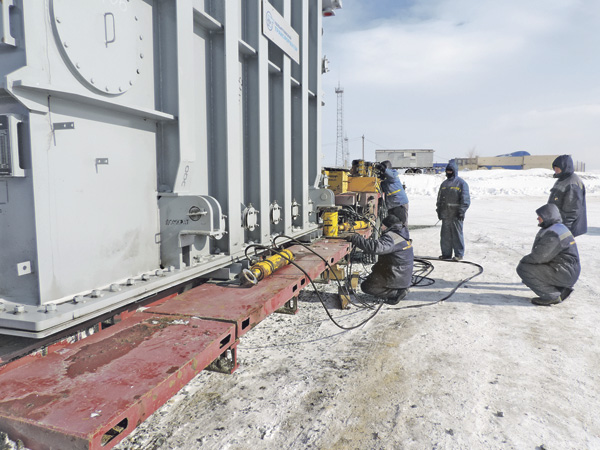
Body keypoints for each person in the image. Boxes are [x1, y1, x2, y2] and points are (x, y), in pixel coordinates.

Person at [516, 203, 580, 306]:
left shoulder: (553, 234)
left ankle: (552, 296)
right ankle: (559, 289)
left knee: (524, 268)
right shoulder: (557, 228)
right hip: (566, 270)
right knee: (530, 267)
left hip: (563, 271)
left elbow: (539, 256)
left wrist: (524, 261)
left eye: (540, 216)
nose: (538, 218)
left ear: (548, 216)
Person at [346, 214, 414, 305]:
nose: (381, 227)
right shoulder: (400, 233)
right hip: (400, 274)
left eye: (382, 225)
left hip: (397, 275)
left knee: (367, 286)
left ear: (386, 226)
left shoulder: (391, 237)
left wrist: (356, 239)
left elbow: (375, 248)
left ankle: (396, 292)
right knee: (372, 277)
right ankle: (397, 288)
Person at [436, 161, 470, 261]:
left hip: (456, 214)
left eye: (451, 170)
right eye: (447, 170)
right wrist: (439, 210)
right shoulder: (444, 184)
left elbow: (466, 198)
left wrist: (462, 211)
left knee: (457, 235)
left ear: (454, 171)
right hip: (446, 214)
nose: (449, 172)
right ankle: (446, 254)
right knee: (445, 236)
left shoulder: (461, 183)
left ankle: (459, 254)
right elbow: (439, 198)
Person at [548, 154, 587, 237]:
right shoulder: (563, 179)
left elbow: (572, 209)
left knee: (563, 248)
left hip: (564, 225)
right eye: (554, 168)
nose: (555, 170)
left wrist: (565, 229)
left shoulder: (572, 182)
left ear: (564, 167)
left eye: (557, 168)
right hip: (557, 223)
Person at [376, 160, 409, 225]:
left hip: (400, 204)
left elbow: (391, 175)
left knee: (401, 224)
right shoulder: (385, 181)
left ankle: (403, 234)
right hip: (391, 206)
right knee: (393, 224)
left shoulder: (394, 174)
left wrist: (383, 169)